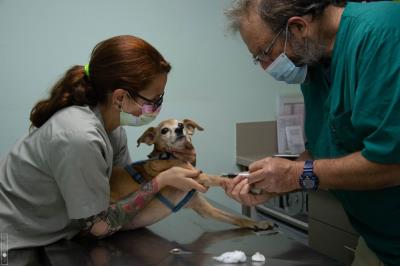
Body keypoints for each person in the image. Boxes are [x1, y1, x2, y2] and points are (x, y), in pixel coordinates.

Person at [222, 1, 400, 265]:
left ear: (297, 27)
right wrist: (275, 182)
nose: (265, 67)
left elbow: (391, 163)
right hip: (378, 240)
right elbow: (324, 148)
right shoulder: (314, 62)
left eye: (265, 53)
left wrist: (295, 175)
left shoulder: (383, 33)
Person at [0, 35, 207, 251]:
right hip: (12, 246)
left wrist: (178, 158)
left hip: (46, 239)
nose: (156, 107)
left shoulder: (113, 131)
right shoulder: (79, 136)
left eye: (161, 98)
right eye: (153, 100)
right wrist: (160, 181)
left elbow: (122, 195)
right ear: (120, 98)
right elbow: (98, 227)